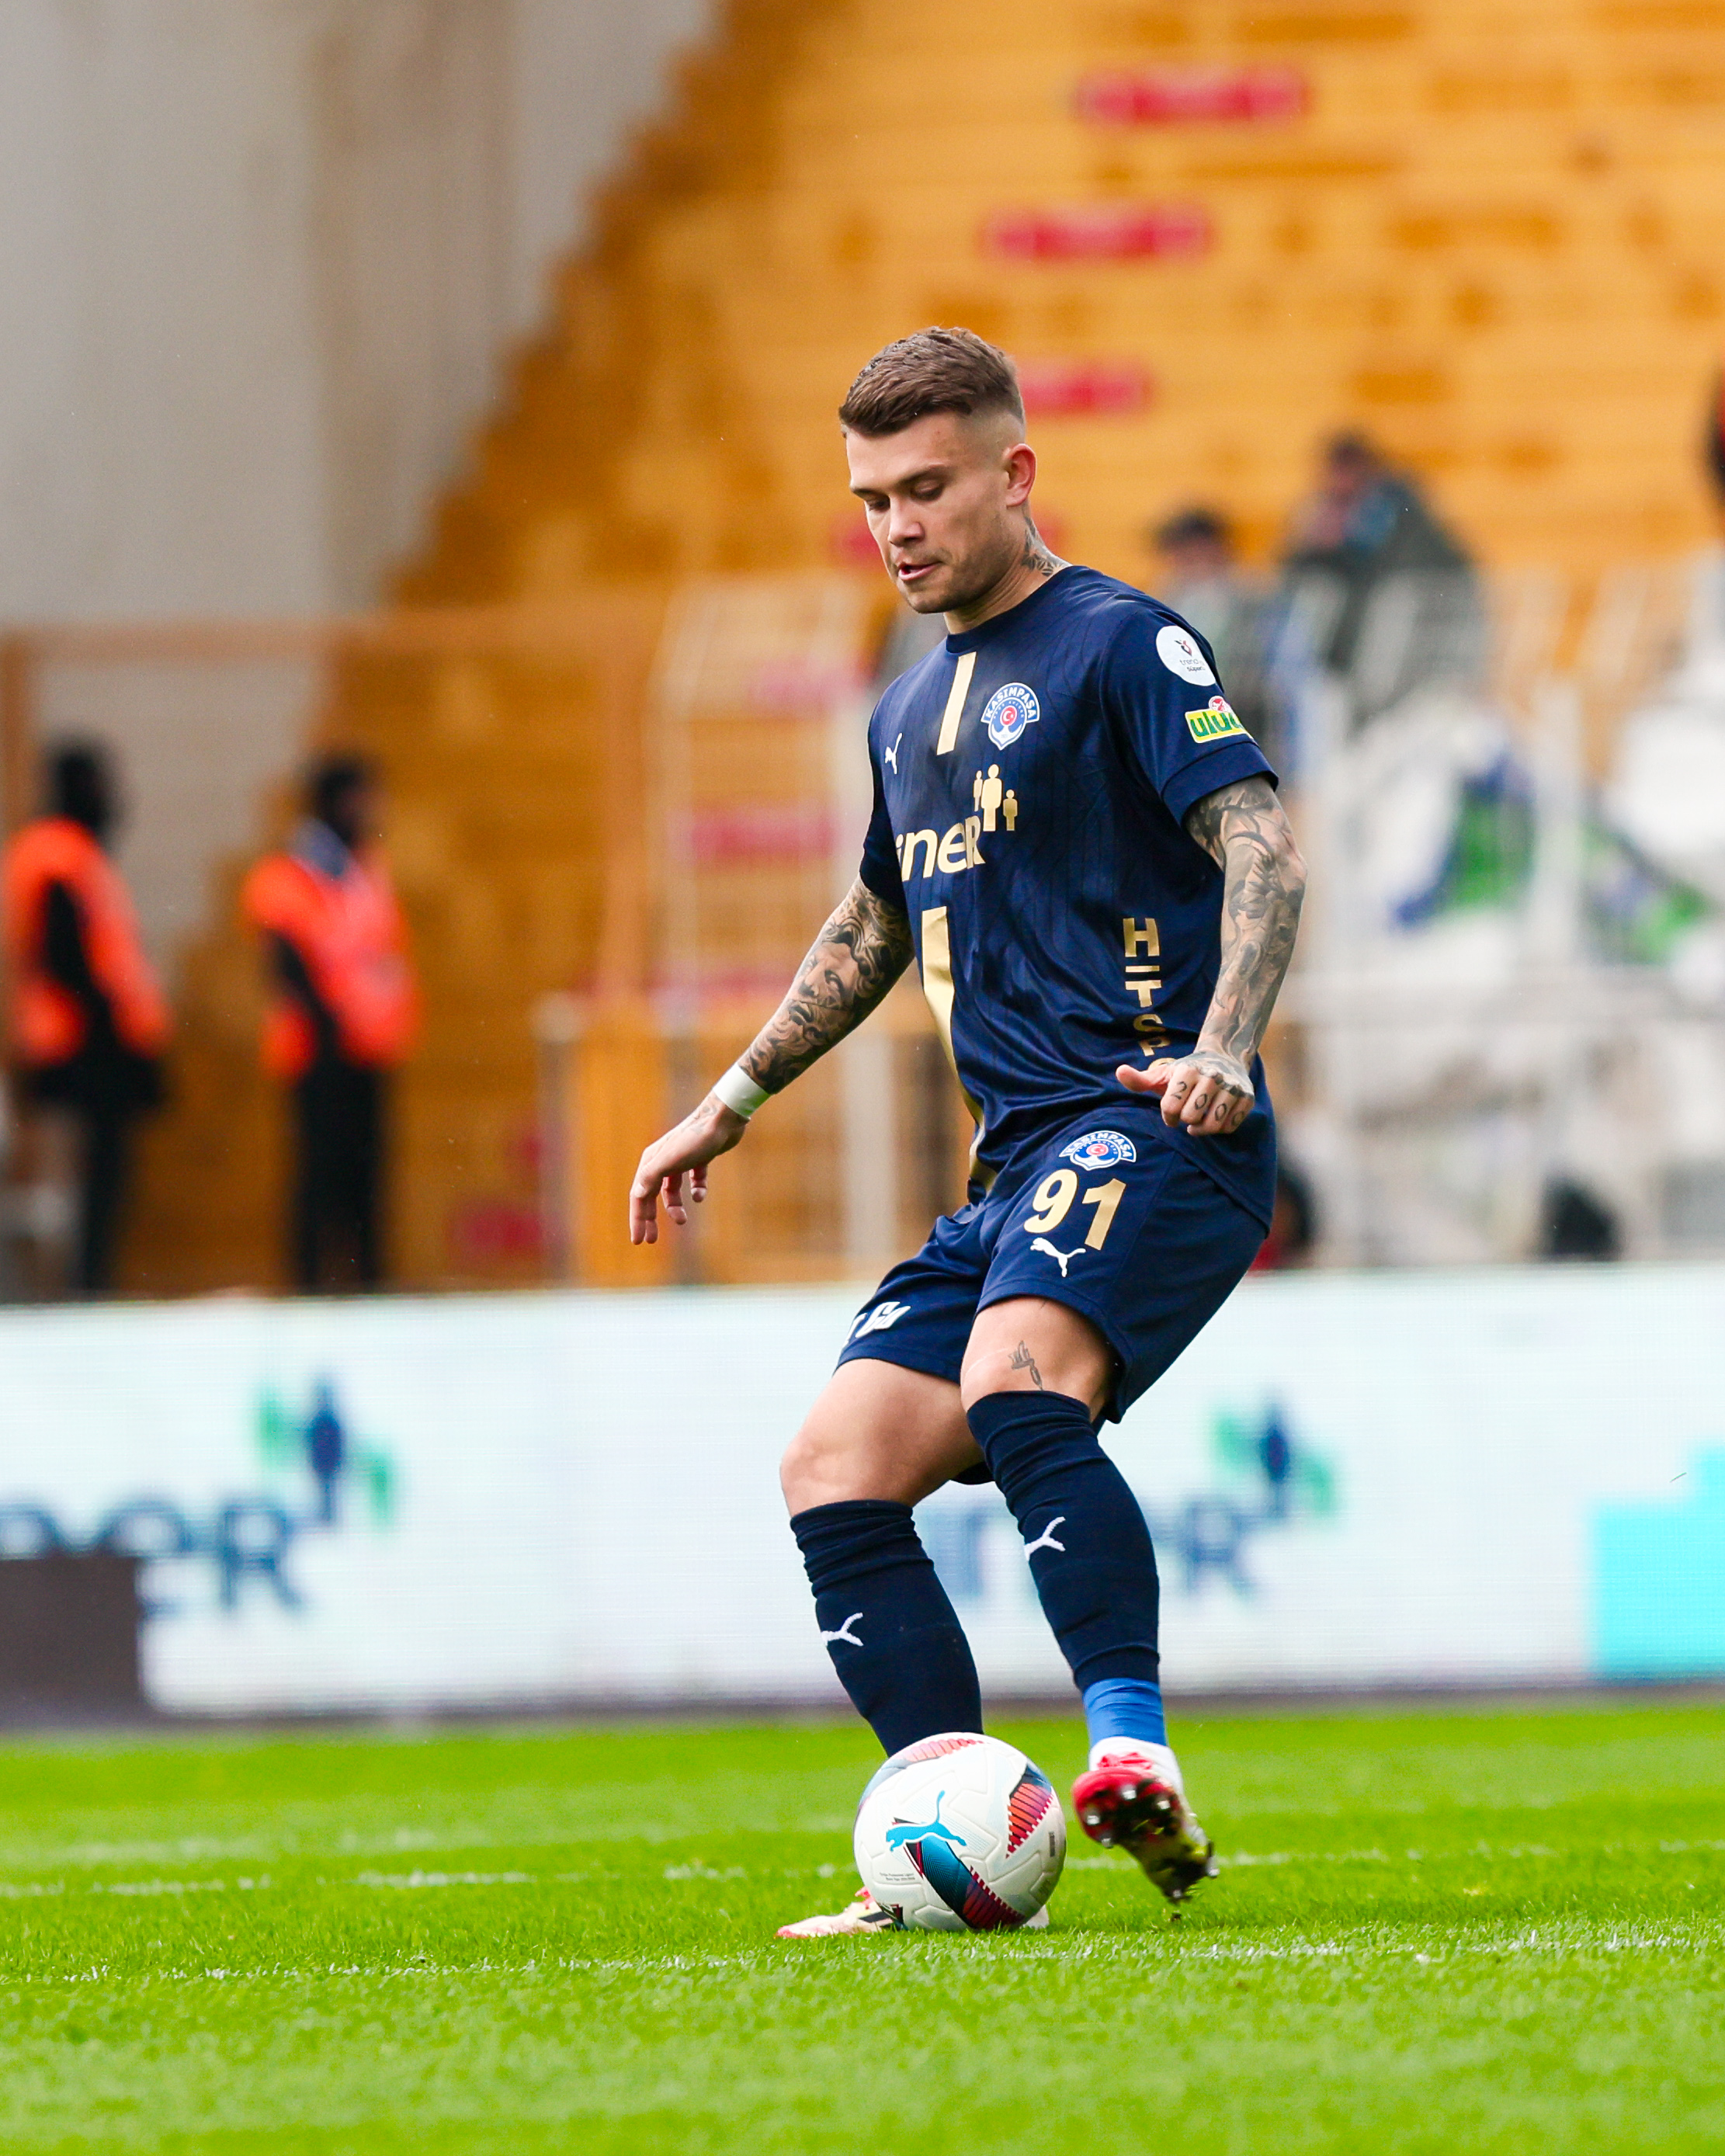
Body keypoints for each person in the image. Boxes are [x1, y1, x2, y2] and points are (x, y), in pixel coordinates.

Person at [630, 328, 1306, 1934]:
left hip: (1152, 1116)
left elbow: (1262, 842)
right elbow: (873, 920)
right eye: (872, 498)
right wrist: (725, 1102)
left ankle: (1132, 1752)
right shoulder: (905, 707)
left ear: (1015, 473)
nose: (898, 526)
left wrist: (1223, 1045)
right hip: (1010, 1169)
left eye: (926, 487)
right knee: (834, 1463)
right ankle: (937, 1838)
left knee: (1014, 1379)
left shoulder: (1122, 645)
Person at [242, 755, 417, 1293]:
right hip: (317, 1049)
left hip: (368, 1045)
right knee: (318, 1175)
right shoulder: (287, 875)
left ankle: (367, 1281)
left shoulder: (364, 869)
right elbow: (287, 965)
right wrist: (330, 1024)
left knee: (367, 1177)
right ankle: (311, 1285)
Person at [2, 743, 168, 1294]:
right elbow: (64, 956)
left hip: (89, 1042)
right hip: (75, 1047)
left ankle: (88, 1283)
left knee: (97, 1182)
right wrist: (110, 1026)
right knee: (79, 1183)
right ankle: (78, 1289)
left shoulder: (77, 853)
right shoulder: (57, 854)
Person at [1280, 430, 1480, 716]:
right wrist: (1313, 549)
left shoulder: (1401, 515)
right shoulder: (1323, 517)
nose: (1339, 484)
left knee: (1394, 605)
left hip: (1405, 645)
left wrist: (1346, 543)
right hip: (1351, 651)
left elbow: (1414, 575)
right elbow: (1291, 575)